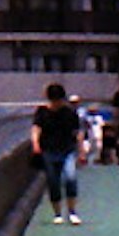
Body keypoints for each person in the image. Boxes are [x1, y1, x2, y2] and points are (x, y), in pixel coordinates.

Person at [32, 81, 84, 224]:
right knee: (53, 181)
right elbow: (36, 129)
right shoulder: (42, 112)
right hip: (48, 151)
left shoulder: (69, 113)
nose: (57, 103)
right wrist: (36, 145)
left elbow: (77, 132)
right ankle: (58, 213)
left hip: (67, 150)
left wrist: (81, 152)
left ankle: (72, 212)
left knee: (70, 178)